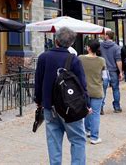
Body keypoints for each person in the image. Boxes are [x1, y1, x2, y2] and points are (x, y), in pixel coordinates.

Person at [35, 27, 88, 165]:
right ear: (71, 43)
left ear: (56, 40)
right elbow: (82, 85)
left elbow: (38, 82)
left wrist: (39, 101)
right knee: (77, 139)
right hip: (70, 107)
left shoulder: (43, 57)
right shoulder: (74, 60)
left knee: (53, 141)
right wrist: (86, 104)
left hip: (49, 106)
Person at [79, 39, 106, 145]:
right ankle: (95, 137)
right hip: (97, 90)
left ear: (88, 48)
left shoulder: (80, 58)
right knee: (95, 114)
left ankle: (87, 130)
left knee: (86, 111)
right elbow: (105, 77)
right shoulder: (101, 60)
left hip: (84, 90)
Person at [100, 31, 122, 114]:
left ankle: (101, 107)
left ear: (107, 36)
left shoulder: (100, 45)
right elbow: (118, 60)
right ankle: (117, 107)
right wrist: (120, 72)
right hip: (113, 70)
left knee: (103, 89)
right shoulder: (116, 47)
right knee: (115, 89)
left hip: (103, 70)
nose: (104, 36)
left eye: (105, 34)